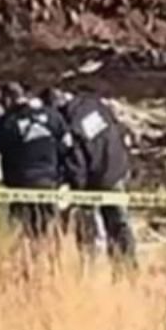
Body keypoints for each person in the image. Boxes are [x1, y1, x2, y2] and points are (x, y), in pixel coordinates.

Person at [43, 86, 136, 262]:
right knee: (120, 223)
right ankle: (127, 269)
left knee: (88, 230)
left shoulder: (70, 124)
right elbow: (116, 129)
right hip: (116, 168)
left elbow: (76, 161)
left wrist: (77, 191)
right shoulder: (93, 103)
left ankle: (90, 268)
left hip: (96, 179)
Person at [0, 82, 83, 240]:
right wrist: (67, 176)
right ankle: (52, 262)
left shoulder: (7, 123)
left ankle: (30, 263)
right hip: (49, 183)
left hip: (21, 185)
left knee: (24, 234)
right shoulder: (52, 115)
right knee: (50, 231)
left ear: (8, 100)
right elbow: (68, 146)